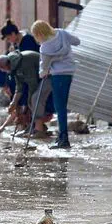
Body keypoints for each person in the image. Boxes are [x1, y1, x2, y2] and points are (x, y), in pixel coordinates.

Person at [32, 20, 80, 149]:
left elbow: (43, 70)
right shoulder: (62, 33)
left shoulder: (45, 47)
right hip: (69, 72)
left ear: (39, 34)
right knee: (62, 106)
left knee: (60, 108)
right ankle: (61, 137)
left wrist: (43, 72)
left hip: (57, 75)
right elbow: (77, 41)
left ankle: (63, 139)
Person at [0, 50, 48, 135]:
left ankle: (39, 129)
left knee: (33, 100)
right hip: (37, 78)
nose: (4, 71)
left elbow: (33, 84)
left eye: (3, 69)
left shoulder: (23, 63)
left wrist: (28, 102)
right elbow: (19, 87)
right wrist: (13, 103)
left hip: (47, 75)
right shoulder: (14, 67)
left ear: (6, 65)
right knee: (30, 102)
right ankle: (32, 127)